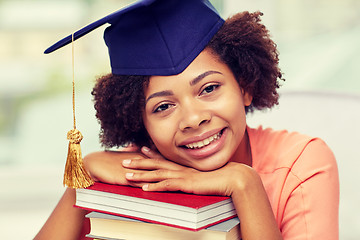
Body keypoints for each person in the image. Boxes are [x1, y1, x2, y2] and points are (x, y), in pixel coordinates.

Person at [35, 0, 339, 239]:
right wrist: (83, 180)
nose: (193, 119)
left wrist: (244, 184)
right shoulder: (133, 174)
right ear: (140, 124)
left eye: (209, 88)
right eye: (163, 107)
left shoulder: (301, 165)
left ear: (245, 86)